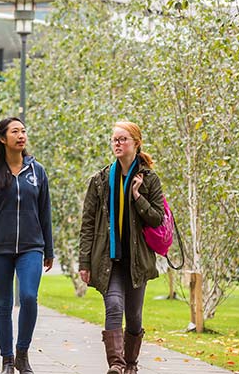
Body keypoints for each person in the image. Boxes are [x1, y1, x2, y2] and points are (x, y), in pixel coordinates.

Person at [78, 121, 164, 374]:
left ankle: (131, 364)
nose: (117, 143)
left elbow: (157, 218)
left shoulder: (149, 179)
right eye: (114, 139)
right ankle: (116, 364)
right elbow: (88, 224)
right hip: (109, 259)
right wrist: (84, 262)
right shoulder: (100, 180)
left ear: (136, 143)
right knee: (114, 306)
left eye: (122, 139)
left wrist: (138, 196)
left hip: (137, 260)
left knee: (134, 317)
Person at [0, 117, 54, 374]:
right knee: (4, 304)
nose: (21, 135)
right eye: (15, 131)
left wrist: (48, 249)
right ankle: (7, 360)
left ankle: (22, 353)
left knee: (29, 297)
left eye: (23, 131)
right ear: (3, 138)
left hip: (31, 245)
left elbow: (45, 211)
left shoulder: (36, 171)